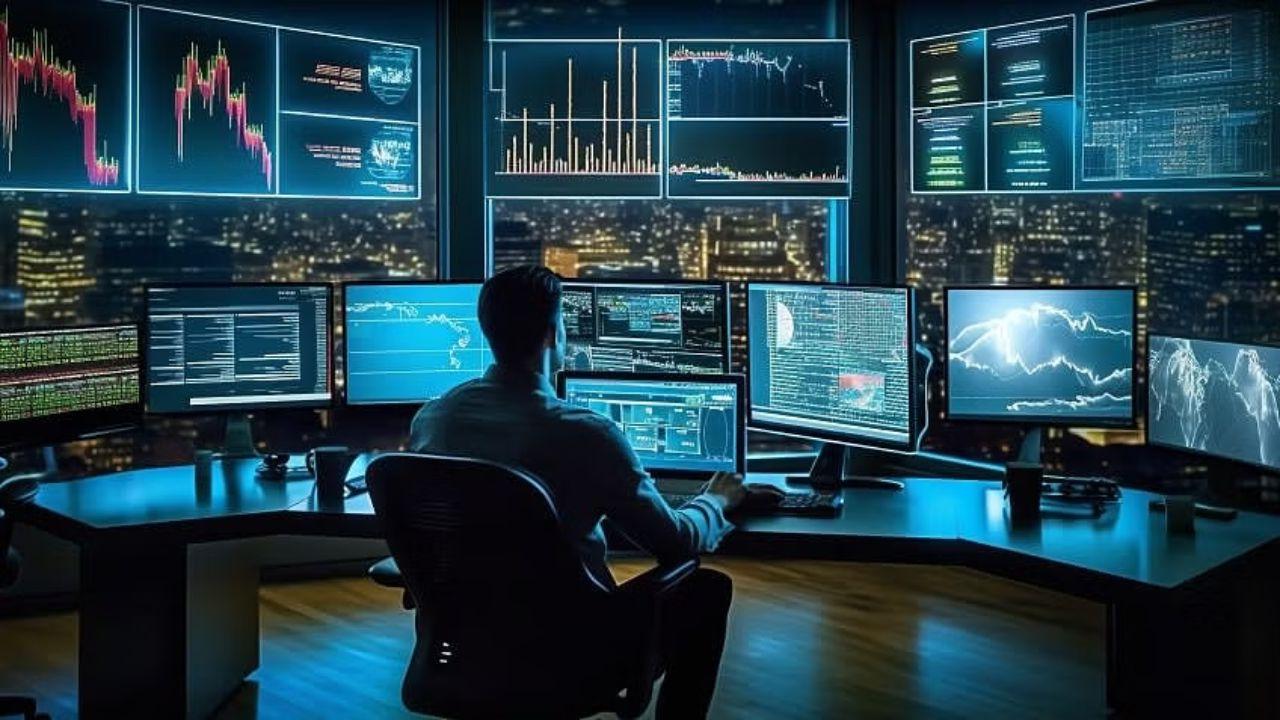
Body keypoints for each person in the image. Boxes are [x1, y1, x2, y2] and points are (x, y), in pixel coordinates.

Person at [410, 265, 764, 718]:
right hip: (568, 655)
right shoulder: (584, 435)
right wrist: (719, 499)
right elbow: (674, 544)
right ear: (555, 334)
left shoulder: (435, 418)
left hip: (460, 647)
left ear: (487, 330)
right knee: (705, 588)